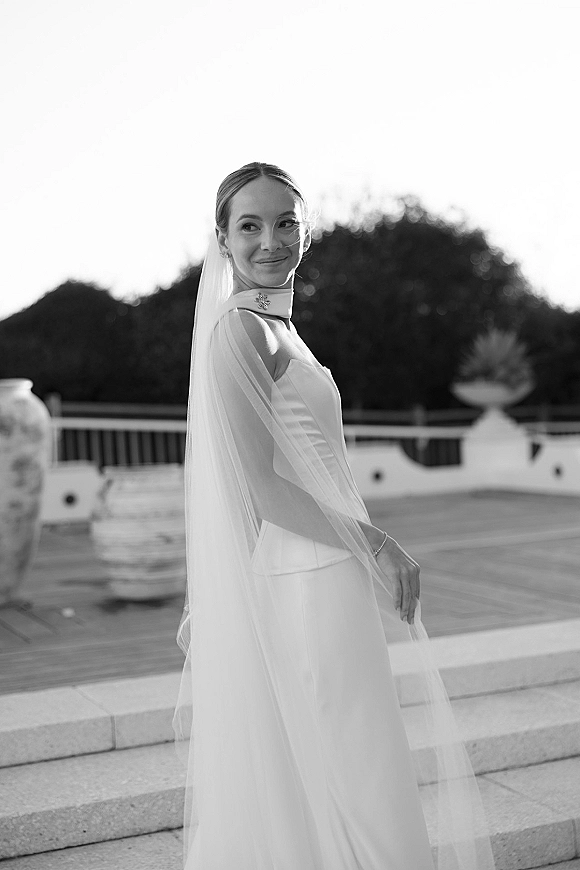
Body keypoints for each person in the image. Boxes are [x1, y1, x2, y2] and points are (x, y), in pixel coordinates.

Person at [173, 162, 495, 870]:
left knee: (353, 751)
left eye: (286, 221)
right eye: (249, 225)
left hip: (326, 563)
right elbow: (259, 484)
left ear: (306, 230)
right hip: (303, 570)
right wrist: (375, 542)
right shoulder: (238, 333)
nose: (270, 240)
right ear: (222, 240)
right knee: (352, 751)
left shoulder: (279, 327)